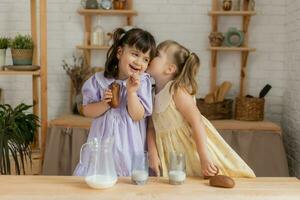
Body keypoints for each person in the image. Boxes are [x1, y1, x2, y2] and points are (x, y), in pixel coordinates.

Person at [146, 40, 255, 178]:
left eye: (156, 54)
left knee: (203, 179)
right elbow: (151, 127)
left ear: (169, 69)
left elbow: (196, 121)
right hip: (170, 152)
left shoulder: (176, 91)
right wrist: (152, 153)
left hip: (190, 147)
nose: (150, 55)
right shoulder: (151, 93)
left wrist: (204, 156)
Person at [73, 28, 156, 176]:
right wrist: (104, 104)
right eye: (135, 54)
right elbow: (87, 110)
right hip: (102, 146)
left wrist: (131, 92)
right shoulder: (99, 81)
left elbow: (137, 115)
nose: (139, 62)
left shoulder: (142, 83)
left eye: (145, 59)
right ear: (119, 53)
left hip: (129, 149)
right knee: (99, 180)